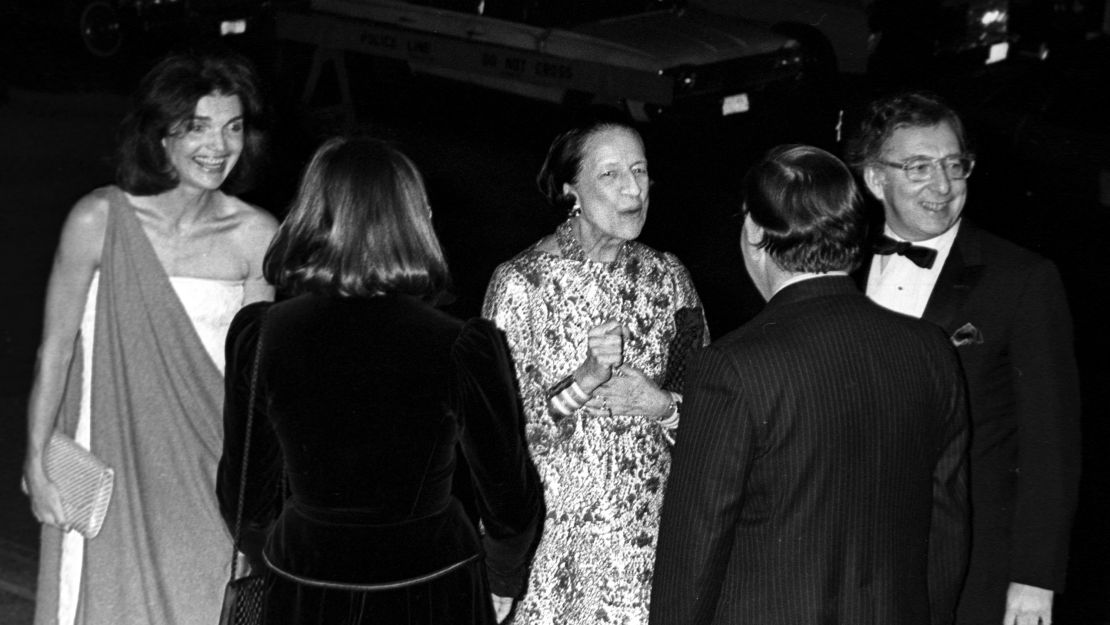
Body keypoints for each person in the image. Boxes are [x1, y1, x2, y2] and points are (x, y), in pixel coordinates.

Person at [217, 136, 543, 625]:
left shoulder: (261, 335)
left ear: (311, 218)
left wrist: (286, 551)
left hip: (307, 583)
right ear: (416, 219)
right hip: (432, 586)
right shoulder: (462, 345)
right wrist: (502, 578)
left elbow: (244, 499)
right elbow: (510, 502)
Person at [650, 144, 970, 625]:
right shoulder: (931, 351)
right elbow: (947, 527)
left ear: (755, 231)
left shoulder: (731, 366)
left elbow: (695, 546)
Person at [22, 50, 279, 625]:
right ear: (161, 135)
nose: (219, 145)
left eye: (233, 127)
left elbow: (257, 383)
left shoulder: (257, 236)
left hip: (210, 475)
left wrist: (257, 505)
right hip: (109, 463)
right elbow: (54, 350)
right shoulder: (99, 220)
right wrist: (37, 463)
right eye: (198, 127)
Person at [846, 91, 1082, 625]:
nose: (944, 186)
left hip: (976, 561)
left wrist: (1034, 578)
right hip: (854, 555)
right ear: (875, 179)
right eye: (919, 167)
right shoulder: (839, 263)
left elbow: (1052, 443)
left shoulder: (1022, 278)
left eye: (955, 165)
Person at [482, 111, 708, 624]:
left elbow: (714, 416)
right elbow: (498, 438)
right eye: (610, 174)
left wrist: (662, 406)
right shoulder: (522, 285)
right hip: (553, 557)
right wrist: (583, 381)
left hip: (646, 549)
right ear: (571, 190)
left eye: (641, 170)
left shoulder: (669, 280)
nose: (632, 190)